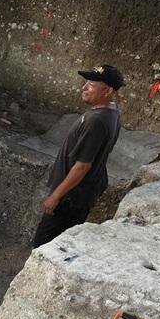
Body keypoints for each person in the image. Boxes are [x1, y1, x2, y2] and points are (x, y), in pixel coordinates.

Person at [32, 65, 125, 248]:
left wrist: (55, 197)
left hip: (70, 198)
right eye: (86, 83)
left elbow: (83, 166)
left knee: (42, 245)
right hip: (80, 195)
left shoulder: (96, 121)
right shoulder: (111, 112)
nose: (84, 88)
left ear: (107, 91)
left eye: (90, 84)